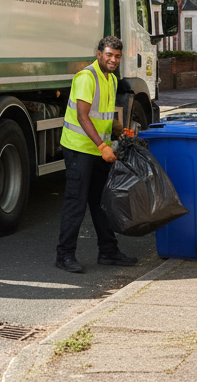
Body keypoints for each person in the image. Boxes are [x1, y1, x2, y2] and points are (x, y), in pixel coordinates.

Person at [55, 35, 138, 274]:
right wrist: (103, 147)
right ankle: (65, 254)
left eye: (117, 56)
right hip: (80, 148)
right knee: (76, 202)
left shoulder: (110, 79)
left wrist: (117, 129)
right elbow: (83, 116)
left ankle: (108, 252)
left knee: (102, 202)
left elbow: (105, 112)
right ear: (99, 54)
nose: (113, 60)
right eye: (109, 55)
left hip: (100, 149)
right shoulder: (86, 77)